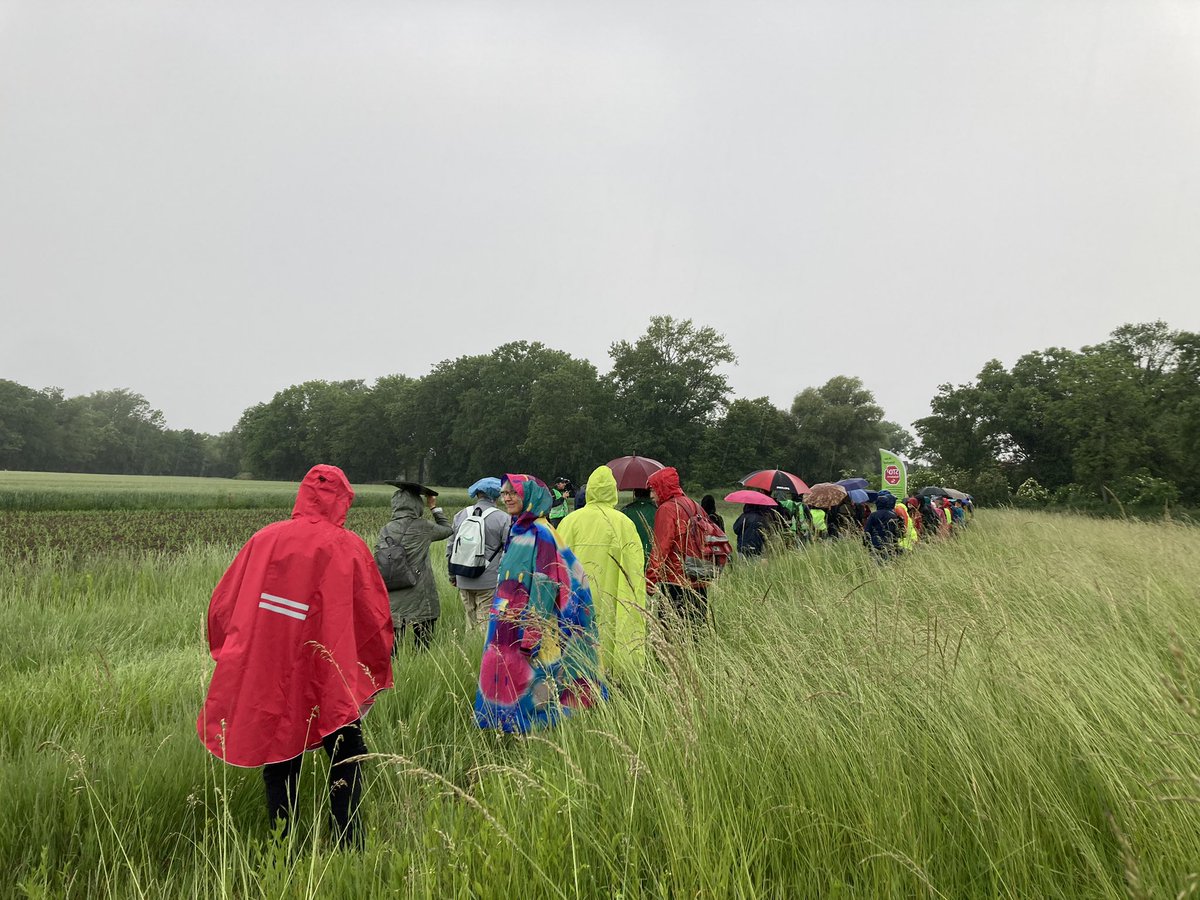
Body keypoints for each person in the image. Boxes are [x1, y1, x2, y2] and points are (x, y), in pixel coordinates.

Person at [197, 465, 394, 848]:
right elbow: (375, 616)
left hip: (269, 671)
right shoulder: (348, 546)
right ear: (343, 499)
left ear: (302, 494)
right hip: (329, 674)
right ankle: (349, 843)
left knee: (278, 751)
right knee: (346, 753)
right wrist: (371, 668)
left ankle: (282, 843)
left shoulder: (264, 540)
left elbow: (222, 606)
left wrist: (232, 656)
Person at [474, 475, 606, 732]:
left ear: (529, 495)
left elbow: (545, 585)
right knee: (504, 677)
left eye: (514, 492)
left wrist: (531, 635)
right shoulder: (519, 528)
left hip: (527, 624)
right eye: (504, 493)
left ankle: (528, 732)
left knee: (529, 683)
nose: (508, 498)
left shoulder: (540, 532)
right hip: (506, 621)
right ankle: (503, 726)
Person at [557, 465, 648, 678]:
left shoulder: (570, 521)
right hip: (613, 600)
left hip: (577, 601)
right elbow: (634, 572)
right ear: (613, 491)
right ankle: (613, 681)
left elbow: (556, 566)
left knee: (577, 659)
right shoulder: (624, 523)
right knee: (609, 644)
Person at [377, 480, 453, 651]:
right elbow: (447, 529)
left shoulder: (386, 529)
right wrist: (433, 507)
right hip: (420, 593)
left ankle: (395, 674)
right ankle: (420, 666)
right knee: (422, 647)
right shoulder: (423, 527)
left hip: (393, 592)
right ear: (417, 504)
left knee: (393, 648)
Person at [646, 467, 710, 633]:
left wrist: (650, 580)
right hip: (699, 579)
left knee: (671, 638)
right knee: (696, 636)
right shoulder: (695, 506)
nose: (652, 496)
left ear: (662, 487)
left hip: (676, 582)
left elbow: (661, 549)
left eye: (653, 489)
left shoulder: (667, 509)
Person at [447, 477, 511, 634]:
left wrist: (452, 575)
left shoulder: (460, 515)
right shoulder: (503, 518)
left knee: (470, 619)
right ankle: (480, 655)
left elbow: (450, 547)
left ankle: (469, 651)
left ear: (477, 493)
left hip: (462, 576)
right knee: (485, 622)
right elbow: (508, 551)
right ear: (497, 495)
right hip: (488, 578)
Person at [621, 487, 657, 567]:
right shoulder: (658, 511)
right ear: (649, 493)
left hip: (632, 559)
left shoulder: (625, 511)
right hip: (653, 560)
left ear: (635, 493)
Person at [863, 490, 903, 560]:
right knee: (888, 561)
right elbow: (896, 531)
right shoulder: (893, 515)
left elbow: (867, 530)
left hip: (875, 542)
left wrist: (865, 542)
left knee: (876, 561)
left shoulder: (873, 515)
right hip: (889, 542)